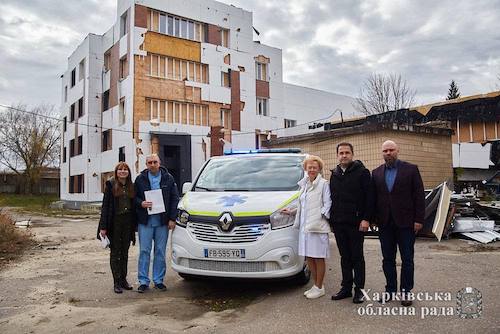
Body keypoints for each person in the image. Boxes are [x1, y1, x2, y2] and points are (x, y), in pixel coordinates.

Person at [371, 140, 425, 306]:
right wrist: (373, 219)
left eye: (391, 150)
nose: (388, 153)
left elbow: (419, 196)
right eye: (385, 150)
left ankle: (406, 292)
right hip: (385, 223)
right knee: (387, 259)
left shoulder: (411, 169)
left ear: (397, 151)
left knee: (407, 259)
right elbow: (374, 198)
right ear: (382, 153)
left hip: (406, 223)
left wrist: (418, 220)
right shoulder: (376, 172)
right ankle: (390, 290)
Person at [282, 155, 332, 299]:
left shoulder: (323, 184)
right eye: (309, 167)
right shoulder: (304, 185)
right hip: (305, 228)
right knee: (309, 257)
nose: (311, 170)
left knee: (319, 257)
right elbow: (302, 206)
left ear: (319, 169)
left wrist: (319, 216)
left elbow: (328, 204)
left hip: (317, 227)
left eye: (314, 167)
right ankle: (316, 285)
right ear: (305, 168)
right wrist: (291, 212)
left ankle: (320, 286)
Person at [329, 142, 372, 304]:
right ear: (337, 155)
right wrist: (332, 220)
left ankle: (359, 290)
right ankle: (346, 288)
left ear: (352, 154)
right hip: (339, 223)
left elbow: (370, 198)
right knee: (344, 257)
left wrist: (366, 218)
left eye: (347, 152)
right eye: (341, 153)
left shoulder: (362, 172)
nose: (344, 155)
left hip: (356, 223)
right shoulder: (335, 174)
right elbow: (332, 199)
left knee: (357, 257)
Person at [134, 153, 179, 293]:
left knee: (160, 251)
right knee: (144, 251)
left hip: (162, 222)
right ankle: (143, 281)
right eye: (149, 162)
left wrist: (172, 218)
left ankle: (158, 280)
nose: (152, 164)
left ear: (159, 163)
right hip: (145, 222)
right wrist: (141, 203)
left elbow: (174, 199)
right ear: (146, 165)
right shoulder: (140, 179)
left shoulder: (168, 178)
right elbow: (133, 197)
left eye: (155, 162)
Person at [97, 162, 137, 294]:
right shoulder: (110, 184)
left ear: (128, 172)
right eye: (120, 169)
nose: (123, 171)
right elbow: (106, 206)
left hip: (127, 222)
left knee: (124, 251)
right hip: (114, 222)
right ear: (116, 171)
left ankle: (124, 280)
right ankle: (116, 282)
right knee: (115, 253)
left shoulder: (131, 185)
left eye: (125, 169)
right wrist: (103, 227)